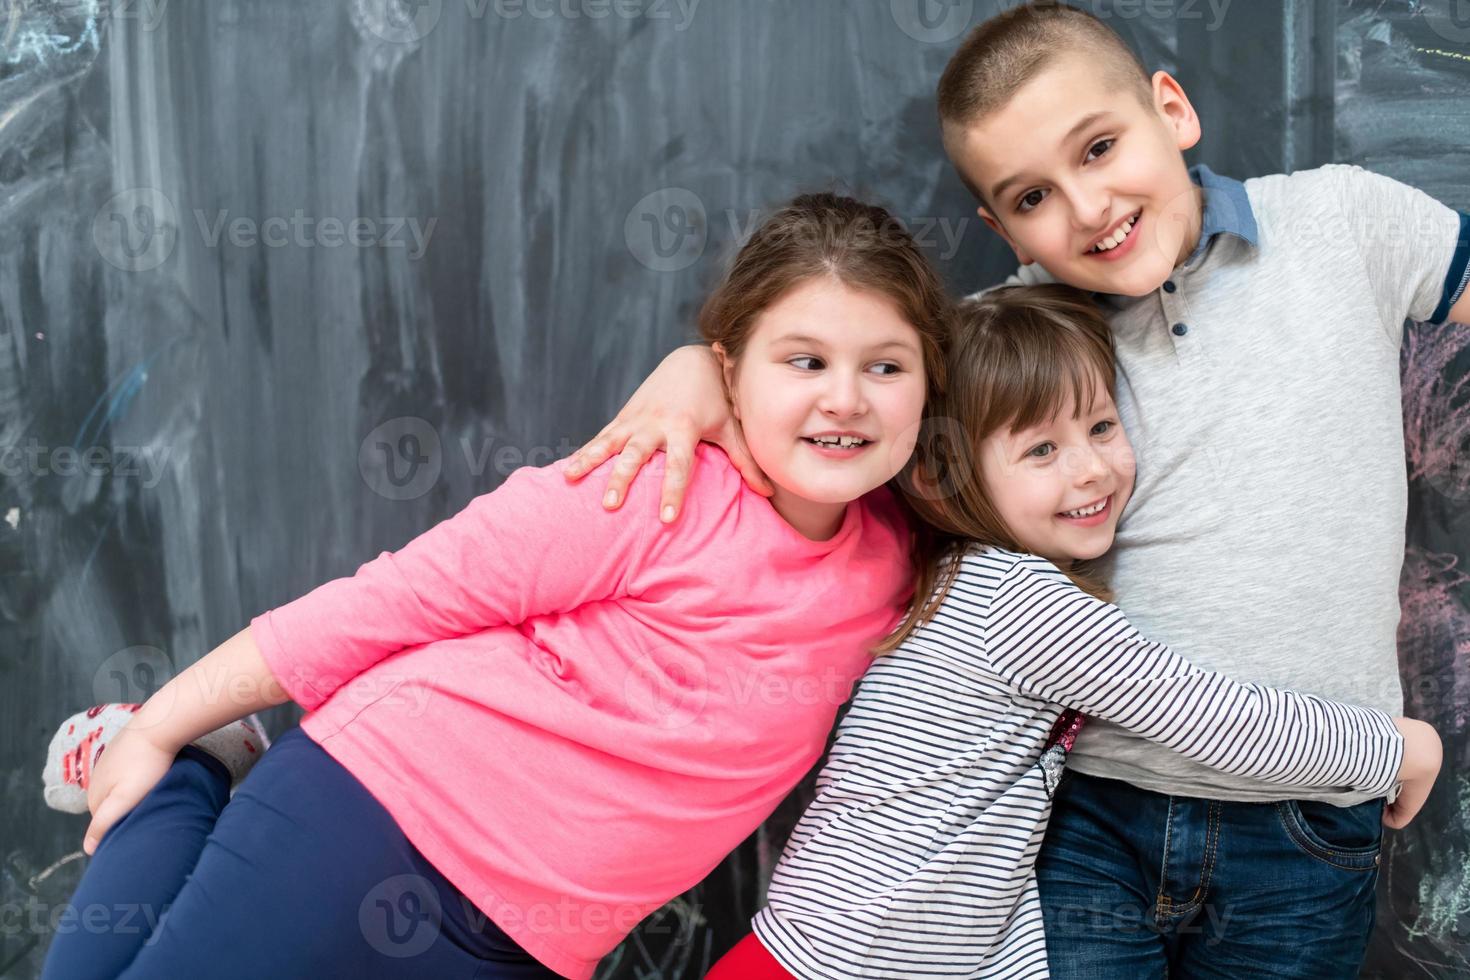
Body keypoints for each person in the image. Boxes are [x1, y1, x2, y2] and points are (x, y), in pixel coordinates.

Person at [563, 4, 1469, 975]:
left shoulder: (1344, 219)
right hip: (1092, 815)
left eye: (1102, 147)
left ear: (1173, 108)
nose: (1087, 209)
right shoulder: (995, 343)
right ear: (1001, 229)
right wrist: (701, 371)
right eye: (1033, 196)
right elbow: (831, 404)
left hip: (1309, 820)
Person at [38, 192, 950, 980]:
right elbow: (387, 602)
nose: (845, 399)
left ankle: (195, 759)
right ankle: (184, 759)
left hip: (542, 945)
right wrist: (165, 724)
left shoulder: (907, 558)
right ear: (729, 368)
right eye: (804, 361)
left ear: (927, 385)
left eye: (885, 366)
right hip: (374, 816)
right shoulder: (644, 486)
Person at [700, 285, 1442, 978]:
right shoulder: (1018, 600)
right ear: (941, 476)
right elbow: (1213, 716)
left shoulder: (956, 574)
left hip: (837, 945)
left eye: (1100, 426)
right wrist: (1394, 748)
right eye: (1041, 451)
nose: (1090, 469)